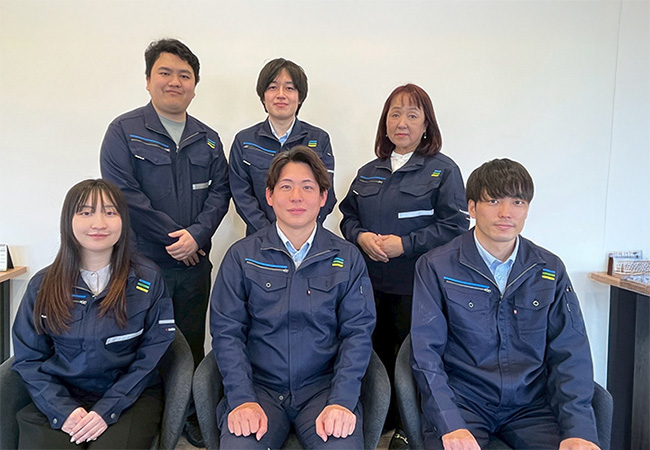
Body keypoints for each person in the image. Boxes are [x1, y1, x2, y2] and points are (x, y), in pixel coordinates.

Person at [411, 159, 600, 450]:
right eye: (493, 201)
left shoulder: (548, 269)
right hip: (463, 403)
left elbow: (571, 353)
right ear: (472, 207)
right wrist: (449, 423)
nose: (506, 213)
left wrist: (579, 430)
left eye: (517, 202)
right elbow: (426, 355)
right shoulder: (436, 266)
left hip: (532, 406)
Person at [100, 38, 229, 446]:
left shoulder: (208, 139)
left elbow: (220, 193)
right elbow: (124, 195)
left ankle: (188, 415)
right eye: (165, 72)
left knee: (190, 343)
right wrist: (179, 238)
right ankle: (138, 415)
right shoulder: (124, 131)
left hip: (193, 266)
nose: (175, 82)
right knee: (137, 343)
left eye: (184, 75)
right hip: (139, 265)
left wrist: (198, 236)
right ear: (148, 80)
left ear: (195, 85)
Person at [210, 146, 376, 449]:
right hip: (259, 389)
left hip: (323, 390)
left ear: (323, 197)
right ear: (270, 195)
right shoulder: (242, 256)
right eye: (286, 187)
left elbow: (358, 334)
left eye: (307, 187)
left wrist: (342, 400)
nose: (296, 197)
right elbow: (226, 333)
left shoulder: (347, 257)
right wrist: (242, 398)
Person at [339, 83, 467, 447]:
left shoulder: (443, 171)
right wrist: (361, 236)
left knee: (412, 359)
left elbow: (455, 226)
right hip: (368, 285)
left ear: (426, 124)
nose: (402, 123)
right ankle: (379, 419)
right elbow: (347, 217)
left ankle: (409, 429)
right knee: (372, 355)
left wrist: (405, 245)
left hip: (417, 287)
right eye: (394, 114)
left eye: (412, 115)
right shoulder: (368, 171)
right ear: (385, 123)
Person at [12, 179, 175, 449]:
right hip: (60, 395)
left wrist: (108, 408)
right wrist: (62, 410)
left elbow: (154, 353)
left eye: (110, 212)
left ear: (123, 220)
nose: (99, 223)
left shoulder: (148, 279)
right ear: (68, 220)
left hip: (129, 396)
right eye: (86, 212)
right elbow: (28, 358)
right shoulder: (42, 285)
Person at [229, 58, 336, 235]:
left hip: (306, 239)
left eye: (289, 88)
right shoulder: (245, 141)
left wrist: (301, 230)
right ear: (263, 96)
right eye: (272, 87)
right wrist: (270, 233)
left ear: (300, 97)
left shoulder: (319, 139)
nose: (281, 94)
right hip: (259, 239)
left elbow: (326, 192)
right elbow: (241, 195)